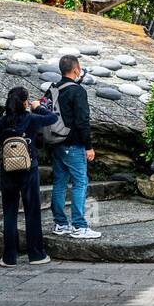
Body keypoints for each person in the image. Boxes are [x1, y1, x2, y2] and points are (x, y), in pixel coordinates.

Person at [0, 86, 59, 267]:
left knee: (9, 213)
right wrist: (38, 107)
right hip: (29, 170)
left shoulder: (0, 122)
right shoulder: (31, 119)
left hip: (7, 172)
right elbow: (53, 118)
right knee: (32, 212)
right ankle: (36, 255)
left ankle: (9, 257)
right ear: (25, 102)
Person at [47, 55, 101, 240]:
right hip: (74, 144)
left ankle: (60, 224)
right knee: (80, 183)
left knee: (59, 184)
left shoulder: (53, 88)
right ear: (76, 69)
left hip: (56, 143)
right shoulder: (78, 91)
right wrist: (89, 147)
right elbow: (82, 121)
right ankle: (79, 225)